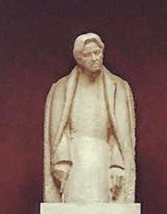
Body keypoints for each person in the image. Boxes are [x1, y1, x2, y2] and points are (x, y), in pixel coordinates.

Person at [42, 32, 136, 204]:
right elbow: (58, 130)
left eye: (97, 52)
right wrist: (61, 161)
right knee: (73, 212)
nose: (94, 58)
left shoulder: (119, 88)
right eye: (88, 55)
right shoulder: (61, 88)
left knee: (105, 210)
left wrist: (117, 164)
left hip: (104, 157)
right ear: (79, 58)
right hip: (75, 158)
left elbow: (120, 134)